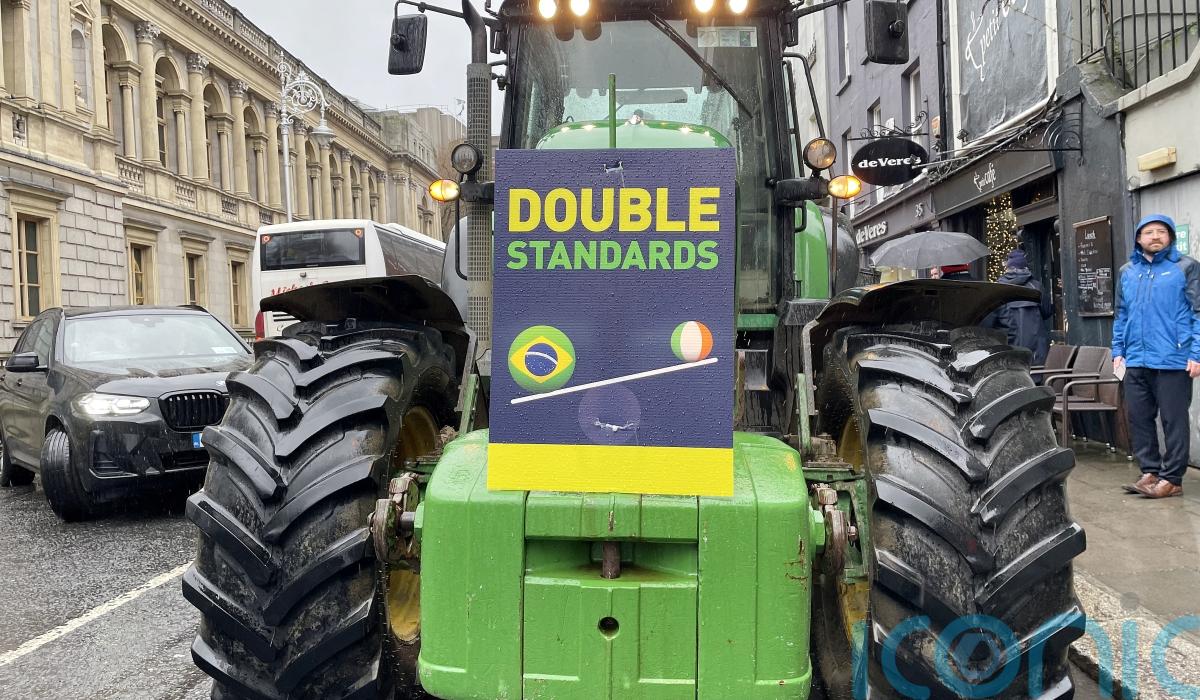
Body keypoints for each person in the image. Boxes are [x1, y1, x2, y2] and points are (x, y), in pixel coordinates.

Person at [1112, 213, 1200, 499]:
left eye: (1161, 231)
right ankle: (1149, 471)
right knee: (1139, 418)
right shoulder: (1127, 271)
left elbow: (1198, 312)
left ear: (1170, 237)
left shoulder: (1186, 267)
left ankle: (1172, 479)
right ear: (1139, 238)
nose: (1155, 236)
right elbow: (1121, 314)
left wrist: (1196, 353)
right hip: (1136, 359)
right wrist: (1118, 351)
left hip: (1173, 358)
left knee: (1174, 421)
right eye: (1148, 232)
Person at [984, 249, 1052, 364]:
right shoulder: (1036, 286)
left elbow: (989, 323)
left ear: (1008, 267)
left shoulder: (997, 289)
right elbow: (1047, 311)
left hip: (1008, 351)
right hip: (1036, 351)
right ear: (1025, 267)